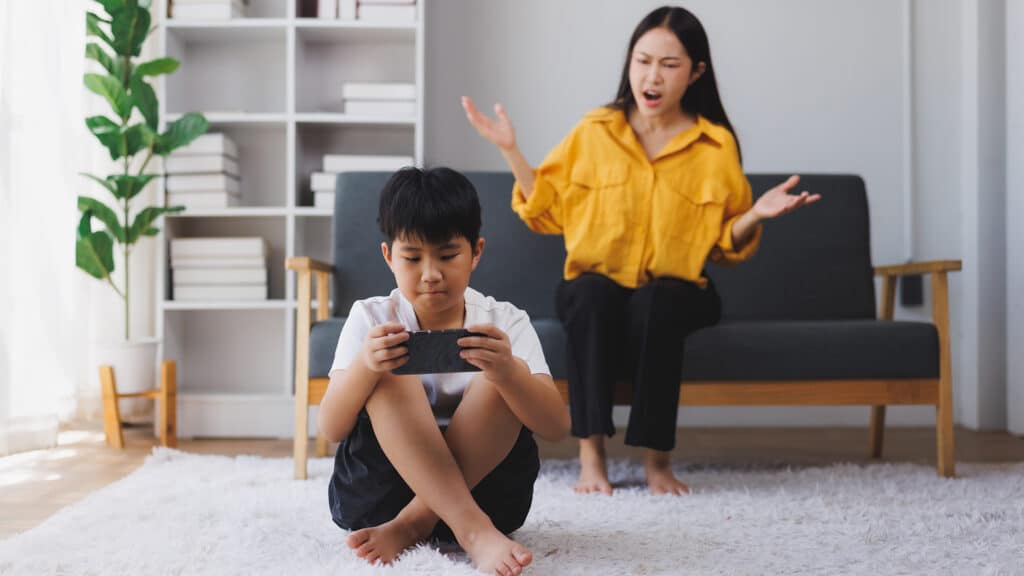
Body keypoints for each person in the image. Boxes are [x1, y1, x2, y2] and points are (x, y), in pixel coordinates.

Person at [462, 5, 820, 496]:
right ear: (629, 63)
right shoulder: (595, 131)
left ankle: (658, 462)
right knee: (589, 295)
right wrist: (510, 149)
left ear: (695, 73)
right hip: (597, 284)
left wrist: (755, 216)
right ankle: (592, 456)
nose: (652, 76)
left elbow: (721, 245)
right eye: (642, 60)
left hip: (677, 290)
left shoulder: (714, 147)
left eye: (669, 65)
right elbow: (546, 211)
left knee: (660, 300)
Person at [319, 166, 570, 575]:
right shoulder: (371, 316)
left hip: (489, 492)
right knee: (384, 370)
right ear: (389, 256)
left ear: (476, 252)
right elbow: (331, 428)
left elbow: (557, 426)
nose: (431, 274)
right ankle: (470, 531)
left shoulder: (504, 319)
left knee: (505, 377)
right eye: (413, 258)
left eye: (448, 255)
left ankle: (419, 524)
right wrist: (366, 366)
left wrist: (507, 372)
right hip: (383, 493)